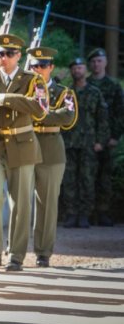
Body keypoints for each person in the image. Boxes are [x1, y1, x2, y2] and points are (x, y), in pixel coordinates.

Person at [0, 33, 48, 271]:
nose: (4, 58)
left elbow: (40, 109)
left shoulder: (32, 79)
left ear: (19, 55)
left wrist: (5, 98)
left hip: (22, 143)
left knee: (20, 202)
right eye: (0, 53)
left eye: (9, 54)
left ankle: (17, 255)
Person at [28, 46, 76, 267]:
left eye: (43, 65)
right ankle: (14, 249)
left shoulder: (64, 92)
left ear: (51, 67)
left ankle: (43, 251)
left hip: (51, 149)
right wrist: (48, 115)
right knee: (17, 200)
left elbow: (67, 117)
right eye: (34, 65)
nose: (38, 69)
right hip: (25, 145)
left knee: (47, 203)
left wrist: (38, 114)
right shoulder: (23, 88)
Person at [60, 58, 109, 229]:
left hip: (89, 143)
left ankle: (84, 215)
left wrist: (101, 141)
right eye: (74, 68)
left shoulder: (95, 92)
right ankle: (71, 214)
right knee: (69, 180)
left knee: (87, 179)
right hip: (69, 142)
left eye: (80, 68)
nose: (77, 71)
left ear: (85, 71)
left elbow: (102, 119)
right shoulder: (66, 92)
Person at [85, 48, 123, 226]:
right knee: (86, 176)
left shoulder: (113, 86)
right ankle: (88, 212)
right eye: (93, 61)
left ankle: (103, 211)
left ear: (105, 63)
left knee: (105, 177)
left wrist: (115, 136)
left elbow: (120, 113)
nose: (96, 64)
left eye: (99, 61)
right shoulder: (85, 84)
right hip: (87, 138)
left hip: (108, 139)